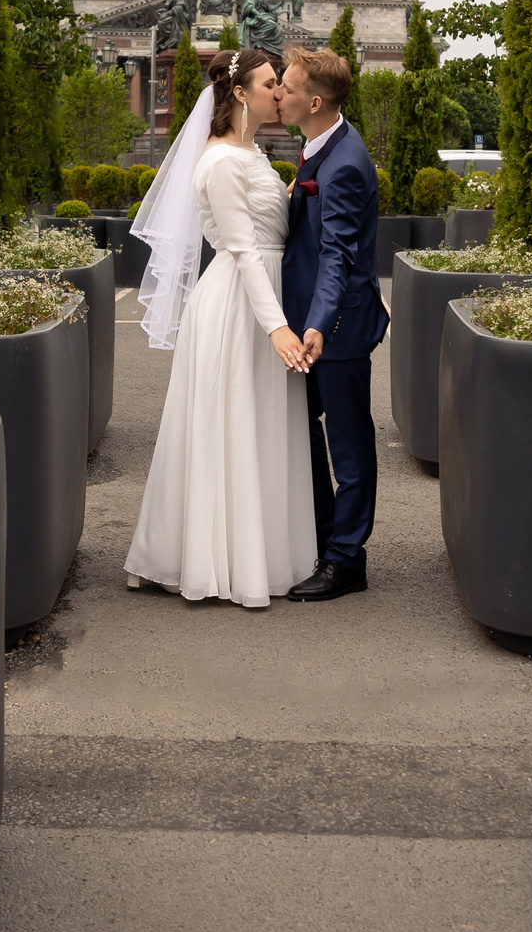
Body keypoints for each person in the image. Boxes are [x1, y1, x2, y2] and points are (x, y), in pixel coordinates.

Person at [122, 48, 321, 608]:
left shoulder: (251, 152)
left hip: (262, 295)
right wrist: (277, 328)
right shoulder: (221, 161)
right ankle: (219, 562)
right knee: (231, 422)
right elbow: (241, 251)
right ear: (240, 93)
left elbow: (265, 230)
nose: (278, 92)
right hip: (241, 306)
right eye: (269, 83)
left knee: (259, 425)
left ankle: (261, 552)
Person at [275, 46, 388, 601]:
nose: (278, 94)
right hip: (310, 322)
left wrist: (317, 324)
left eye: (288, 89)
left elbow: (338, 255)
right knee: (308, 437)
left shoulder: (343, 165)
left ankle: (347, 560)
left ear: (314, 101)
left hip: (337, 328)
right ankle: (323, 540)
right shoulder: (320, 145)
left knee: (347, 443)